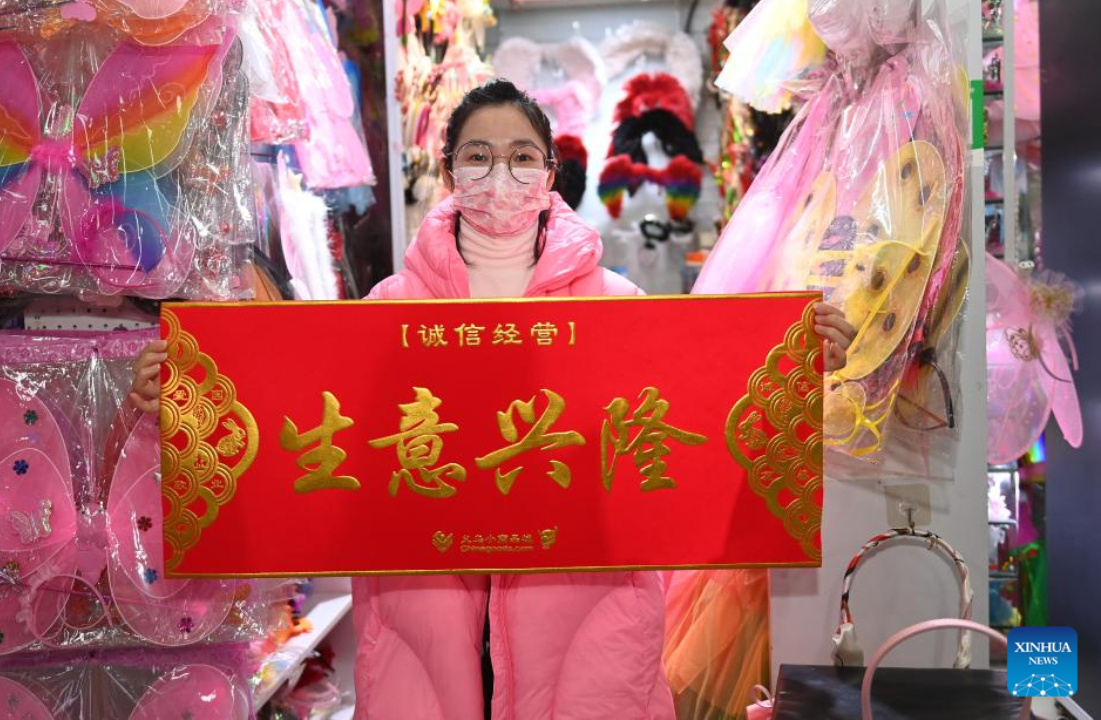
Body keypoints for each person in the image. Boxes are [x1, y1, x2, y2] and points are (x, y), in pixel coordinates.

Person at [130, 80, 855, 719]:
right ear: (448, 170)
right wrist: (182, 395)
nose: (498, 173)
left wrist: (799, 361)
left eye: (520, 155)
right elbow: (303, 430)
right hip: (426, 614)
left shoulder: (617, 304)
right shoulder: (388, 306)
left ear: (550, 173)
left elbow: (697, 412)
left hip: (584, 606)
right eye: (477, 155)